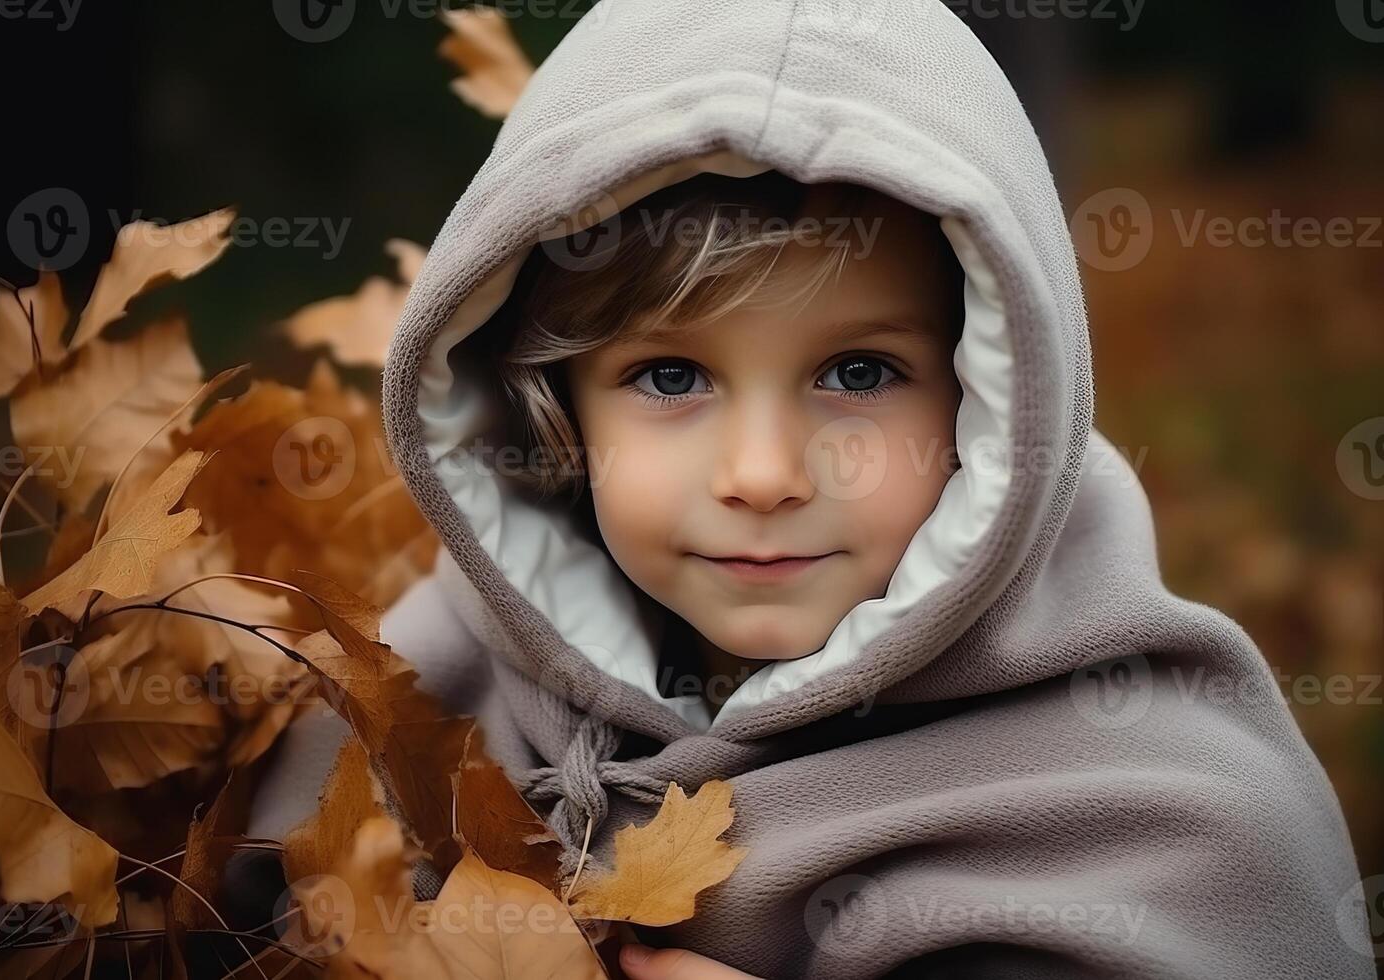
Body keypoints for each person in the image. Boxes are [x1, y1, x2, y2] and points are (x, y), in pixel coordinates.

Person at [247, 0, 1373, 976]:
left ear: (988, 405)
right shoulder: (427, 689)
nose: (764, 475)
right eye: (671, 376)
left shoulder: (1161, 800)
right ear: (548, 407)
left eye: (858, 373)